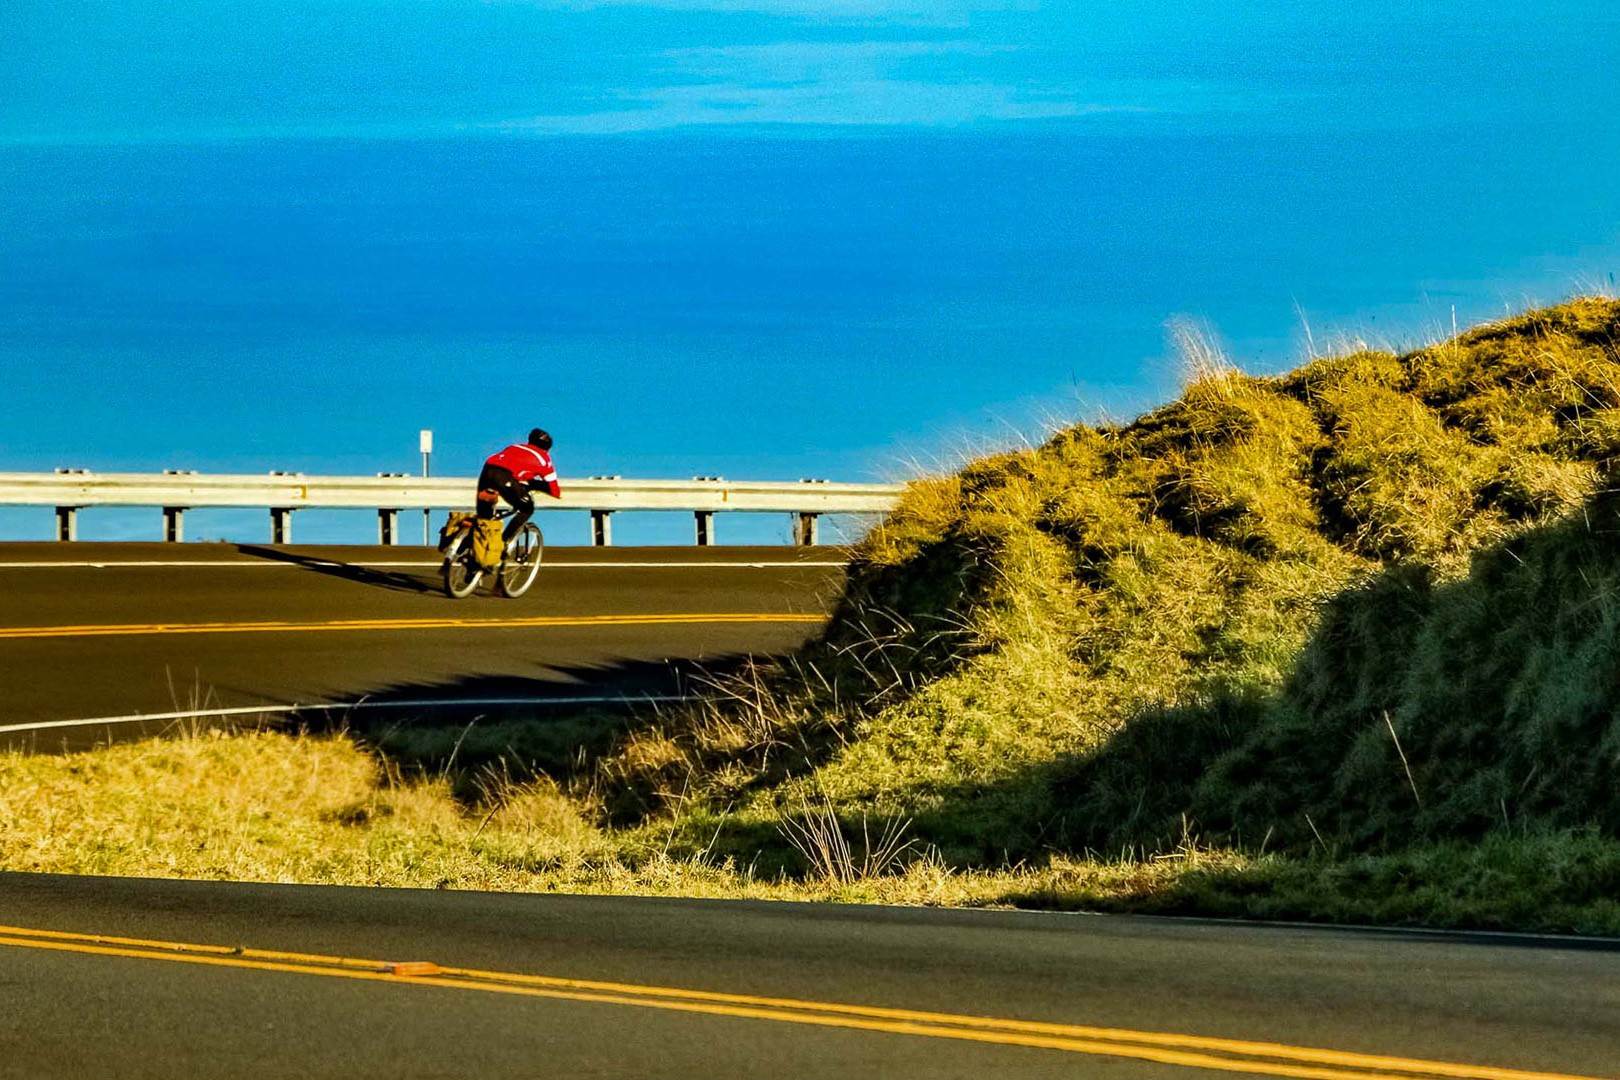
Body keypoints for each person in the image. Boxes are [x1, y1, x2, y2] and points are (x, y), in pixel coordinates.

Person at [477, 428, 561, 539]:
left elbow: (517, 468)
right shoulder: (544, 459)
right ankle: (504, 541)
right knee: (527, 508)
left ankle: (463, 547)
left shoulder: (514, 447)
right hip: (504, 477)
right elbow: (554, 490)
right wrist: (534, 485)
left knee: (483, 518)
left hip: (487, 470)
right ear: (548, 447)